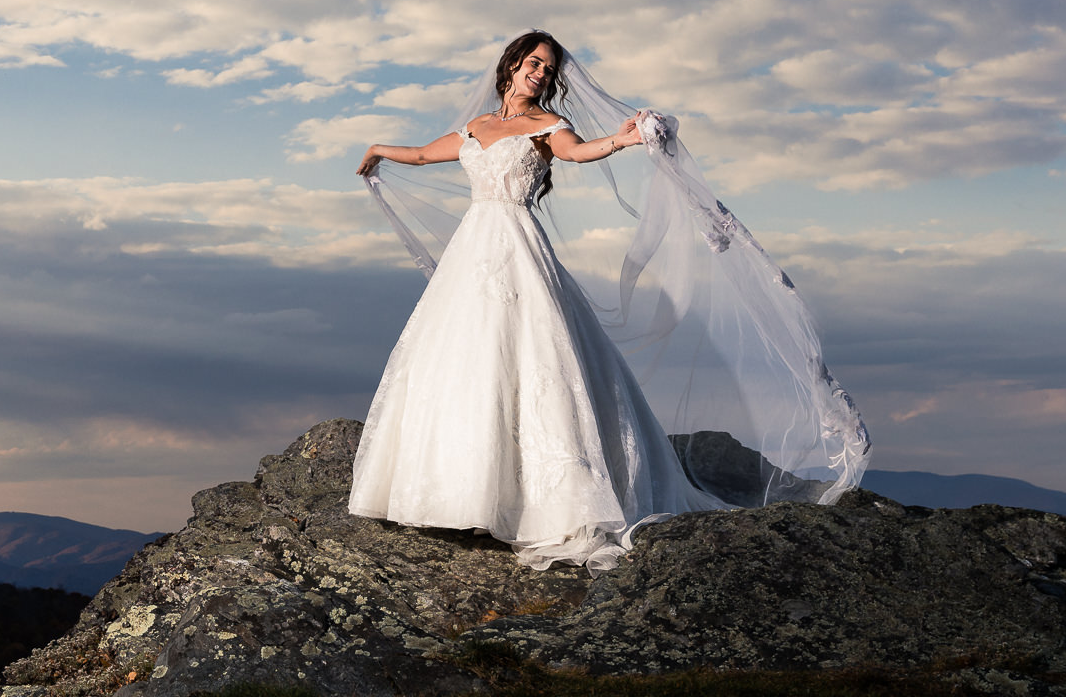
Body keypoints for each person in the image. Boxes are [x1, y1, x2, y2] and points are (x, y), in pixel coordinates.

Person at [349, 31, 867, 572]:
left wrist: (620, 141)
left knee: (537, 359)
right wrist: (378, 149)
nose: (540, 74)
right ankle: (455, 494)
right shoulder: (476, 127)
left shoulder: (549, 126)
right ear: (511, 65)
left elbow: (578, 152)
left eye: (548, 70)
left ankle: (539, 503)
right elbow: (424, 155)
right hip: (472, 252)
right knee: (466, 359)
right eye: (533, 63)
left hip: (521, 249)